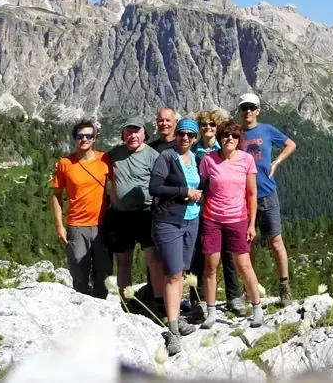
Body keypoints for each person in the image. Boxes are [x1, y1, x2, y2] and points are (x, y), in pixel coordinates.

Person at [198, 120, 264, 329]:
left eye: (234, 136)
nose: (230, 139)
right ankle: (210, 312)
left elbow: (252, 193)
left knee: (244, 265)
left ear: (239, 140)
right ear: (219, 138)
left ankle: (257, 308)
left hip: (238, 220)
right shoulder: (208, 160)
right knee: (211, 266)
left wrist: (252, 224)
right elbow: (200, 186)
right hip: (212, 220)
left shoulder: (247, 160)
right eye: (226, 135)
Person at [149, 117, 203, 355]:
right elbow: (155, 187)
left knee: (180, 272)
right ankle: (172, 330)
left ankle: (176, 317)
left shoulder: (196, 159)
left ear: (194, 139)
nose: (184, 138)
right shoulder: (167, 157)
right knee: (172, 275)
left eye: (190, 135)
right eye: (181, 133)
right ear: (176, 135)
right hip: (169, 221)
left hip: (191, 220)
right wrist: (185, 192)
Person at [237, 92, 297, 306]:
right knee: (247, 245)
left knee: (276, 242)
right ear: (240, 111)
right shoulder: (235, 134)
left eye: (252, 107)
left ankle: (284, 287)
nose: (248, 111)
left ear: (258, 110)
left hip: (267, 194)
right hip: (243, 199)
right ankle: (248, 290)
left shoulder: (268, 130)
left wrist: (277, 162)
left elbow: (291, 144)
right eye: (244, 108)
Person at [105, 117, 168, 316]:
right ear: (123, 135)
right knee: (123, 261)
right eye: (128, 132)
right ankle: (126, 303)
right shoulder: (114, 154)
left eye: (136, 131)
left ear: (144, 134)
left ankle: (159, 302)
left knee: (153, 260)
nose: (132, 135)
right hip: (120, 215)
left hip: (146, 214)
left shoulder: (153, 155)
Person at [188, 109, 246, 319]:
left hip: (224, 210)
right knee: (201, 255)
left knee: (228, 255)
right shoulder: (193, 150)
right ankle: (198, 299)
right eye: (204, 125)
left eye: (212, 125)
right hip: (198, 209)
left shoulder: (225, 149)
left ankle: (233, 296)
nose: (208, 128)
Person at [50, 120, 112, 298]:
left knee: (103, 273)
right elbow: (56, 195)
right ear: (75, 139)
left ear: (94, 138)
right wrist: (59, 226)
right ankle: (81, 305)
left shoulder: (105, 159)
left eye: (88, 136)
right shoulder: (65, 163)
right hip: (76, 225)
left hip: (102, 225)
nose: (84, 139)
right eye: (80, 136)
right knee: (78, 270)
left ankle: (100, 308)